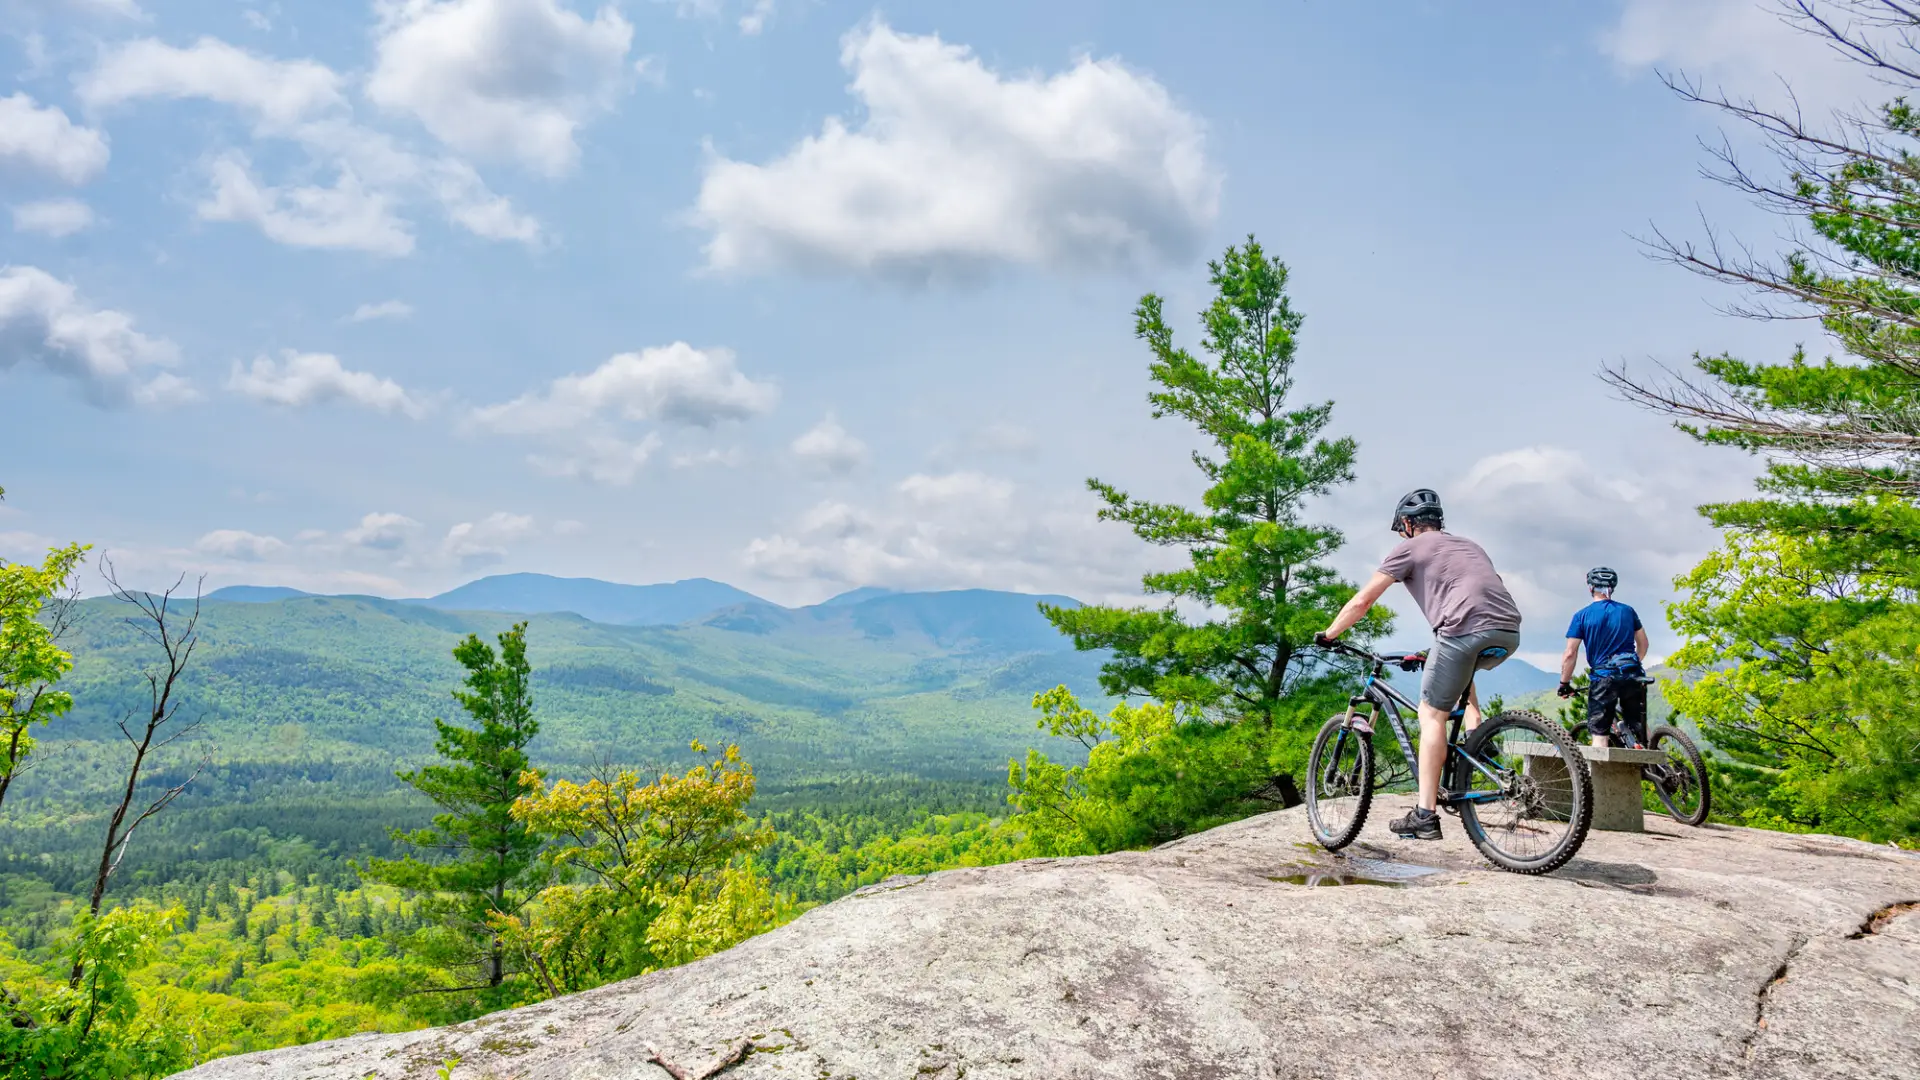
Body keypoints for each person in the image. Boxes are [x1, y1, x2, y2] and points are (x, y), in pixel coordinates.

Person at [1317, 489, 1523, 840]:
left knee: (1431, 714)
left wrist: (1331, 633)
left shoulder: (1408, 548)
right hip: (1508, 630)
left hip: (1461, 629)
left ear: (1409, 524)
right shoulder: (1470, 545)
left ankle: (1425, 815)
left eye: (1402, 528)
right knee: (1462, 674)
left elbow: (1363, 600)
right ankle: (1478, 739)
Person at [1557, 567, 1651, 749]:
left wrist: (1564, 683)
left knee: (1600, 735)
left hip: (1604, 677)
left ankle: (1597, 776)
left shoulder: (1582, 616)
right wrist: (1633, 665)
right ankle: (1661, 766)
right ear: (1612, 587)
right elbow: (1644, 644)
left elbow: (1570, 653)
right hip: (1633, 673)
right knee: (1640, 725)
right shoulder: (1628, 611)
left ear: (1590, 587)